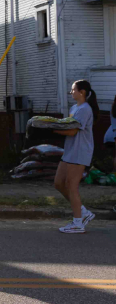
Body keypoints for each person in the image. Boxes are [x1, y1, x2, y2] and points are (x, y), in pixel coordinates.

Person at [54, 80, 99, 233]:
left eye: (73, 90)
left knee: (71, 186)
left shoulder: (85, 109)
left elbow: (73, 131)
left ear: (82, 92)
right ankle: (83, 212)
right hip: (70, 150)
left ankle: (78, 223)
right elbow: (68, 125)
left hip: (80, 151)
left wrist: (51, 129)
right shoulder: (74, 108)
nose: (71, 92)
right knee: (59, 183)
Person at [105, 96, 116, 174]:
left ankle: (113, 173)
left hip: (109, 136)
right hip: (114, 135)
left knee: (113, 156)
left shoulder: (113, 107)